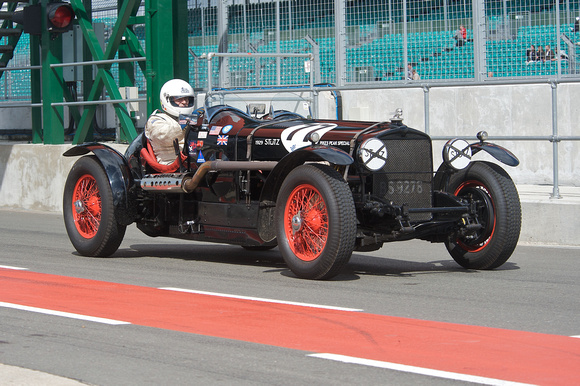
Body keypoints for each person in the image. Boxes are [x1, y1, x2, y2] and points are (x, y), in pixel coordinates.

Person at [144, 79, 195, 165]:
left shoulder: (190, 119)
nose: (184, 102)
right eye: (179, 99)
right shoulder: (157, 119)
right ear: (167, 99)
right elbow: (164, 136)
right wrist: (183, 123)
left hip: (192, 159)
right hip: (171, 163)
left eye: (186, 99)